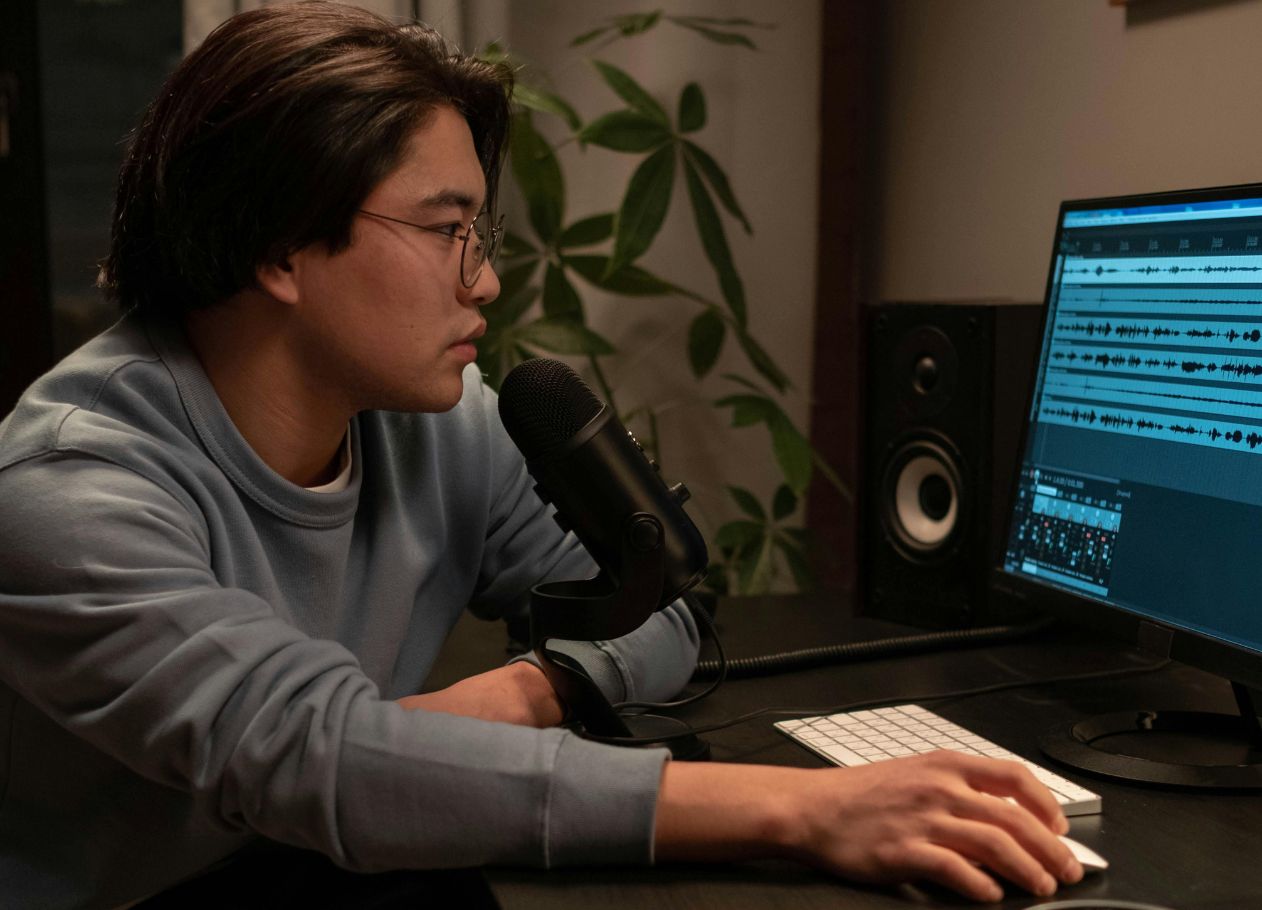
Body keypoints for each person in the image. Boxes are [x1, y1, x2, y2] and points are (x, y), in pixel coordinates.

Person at [0, 3, 1083, 907]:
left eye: (483, 235)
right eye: (445, 230)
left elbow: (654, 602)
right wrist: (806, 807)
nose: (484, 282)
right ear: (279, 245)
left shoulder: (439, 421)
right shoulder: (66, 492)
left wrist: (534, 685)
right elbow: (317, 757)